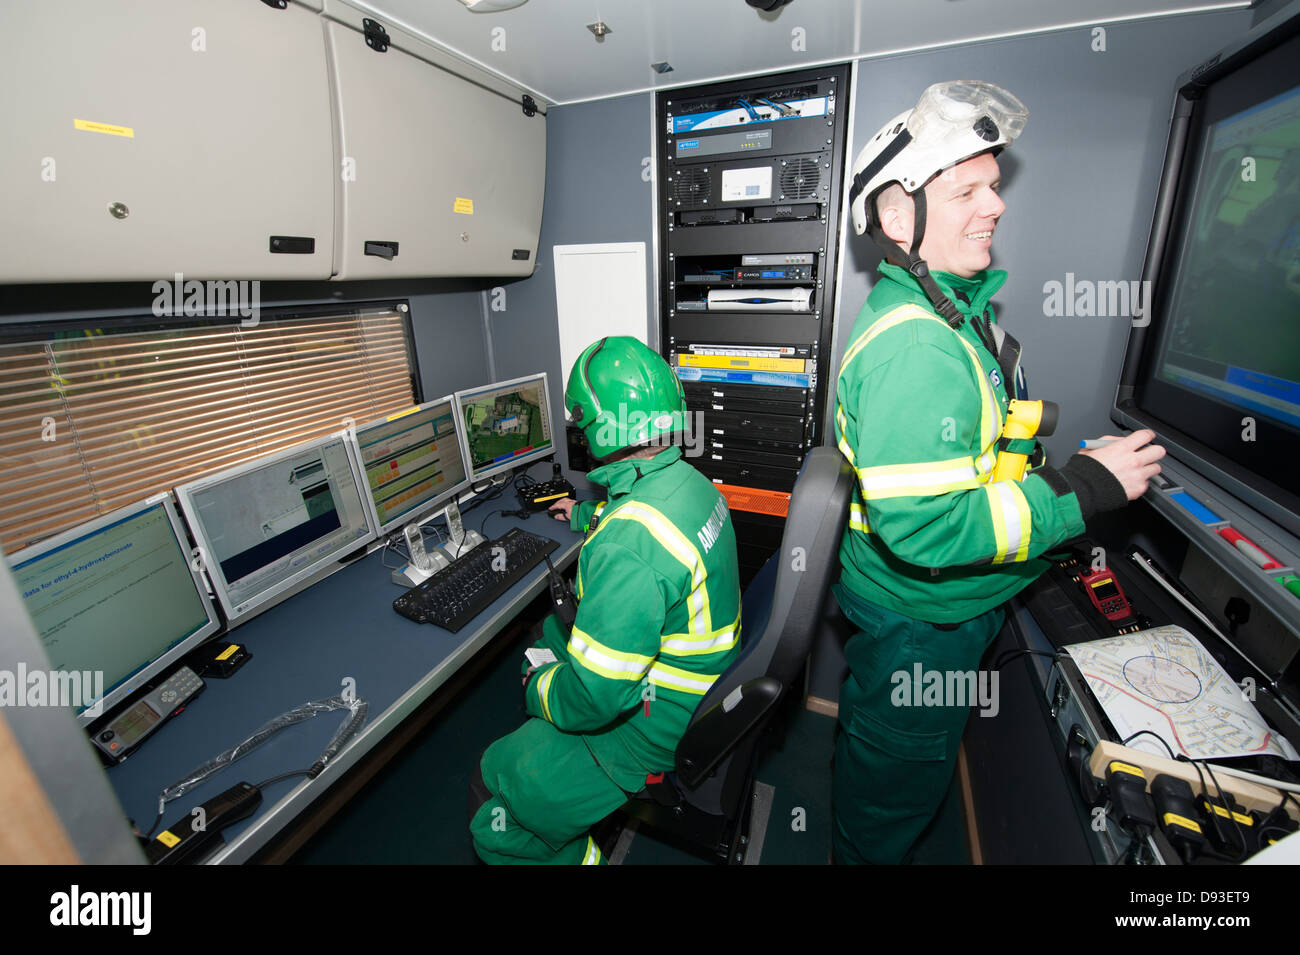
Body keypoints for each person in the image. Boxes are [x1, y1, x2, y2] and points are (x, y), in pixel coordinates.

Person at [833, 81, 1165, 864]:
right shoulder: (915, 347)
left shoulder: (952, 316)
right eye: (969, 189)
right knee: (889, 798)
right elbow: (929, 525)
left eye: (994, 183)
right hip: (920, 620)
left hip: (939, 607)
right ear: (897, 216)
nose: (997, 204)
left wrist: (1065, 479)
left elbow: (979, 456)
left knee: (902, 773)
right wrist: (1080, 491)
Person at [468, 336, 742, 864]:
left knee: (493, 806)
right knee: (552, 634)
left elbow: (597, 702)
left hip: (643, 729)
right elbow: (649, 528)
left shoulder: (626, 547)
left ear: (597, 427)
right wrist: (585, 516)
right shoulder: (693, 484)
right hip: (700, 685)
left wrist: (538, 691)